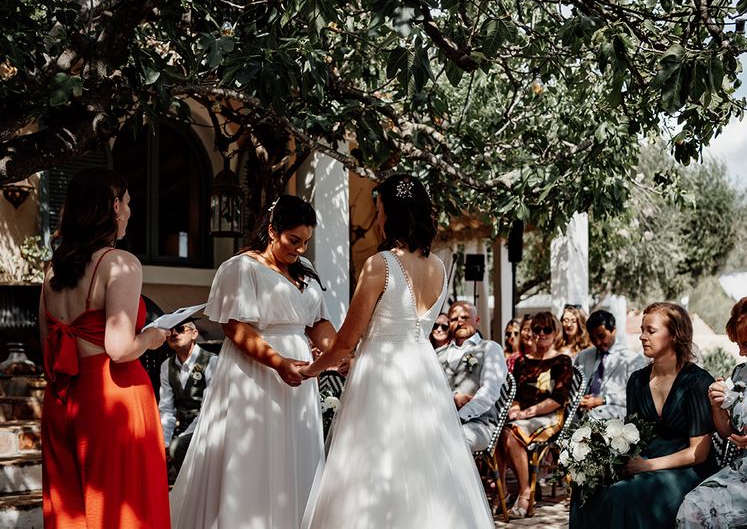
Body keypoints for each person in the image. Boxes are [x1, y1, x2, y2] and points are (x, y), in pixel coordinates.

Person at [299, 174, 494, 528]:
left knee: (375, 466)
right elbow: (402, 329)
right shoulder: (438, 266)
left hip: (383, 377)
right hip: (422, 372)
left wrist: (308, 370)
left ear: (392, 214)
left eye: (379, 210)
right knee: (424, 468)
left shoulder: (381, 264)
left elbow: (345, 341)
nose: (377, 218)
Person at [170, 195, 335, 529]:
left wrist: (338, 354)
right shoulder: (240, 267)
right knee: (256, 457)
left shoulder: (306, 271)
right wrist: (277, 362)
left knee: (295, 457)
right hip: (256, 373)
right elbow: (234, 326)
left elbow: (318, 322)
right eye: (293, 240)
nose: (300, 249)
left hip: (299, 378)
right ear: (273, 231)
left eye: (305, 242)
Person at [39, 168, 170, 528]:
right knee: (123, 507)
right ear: (114, 206)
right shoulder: (119, 263)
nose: (130, 211)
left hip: (62, 398)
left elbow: (46, 346)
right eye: (127, 203)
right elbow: (120, 347)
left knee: (71, 510)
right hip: (113, 398)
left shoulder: (52, 272)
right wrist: (154, 338)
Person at [570, 302, 716, 529]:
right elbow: (631, 436)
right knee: (586, 487)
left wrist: (648, 466)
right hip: (643, 462)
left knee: (622, 495)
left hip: (684, 470)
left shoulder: (697, 382)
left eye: (651, 330)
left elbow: (699, 452)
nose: (642, 337)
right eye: (642, 330)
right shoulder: (637, 381)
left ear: (675, 335)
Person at [676, 295, 747, 528]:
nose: (741, 353)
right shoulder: (741, 374)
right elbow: (727, 432)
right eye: (738, 345)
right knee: (694, 506)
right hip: (746, 470)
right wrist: (717, 406)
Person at [497, 310, 573, 518]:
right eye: (536, 328)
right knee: (499, 432)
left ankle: (524, 492)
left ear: (556, 332)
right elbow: (516, 395)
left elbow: (558, 399)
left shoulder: (562, 361)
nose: (540, 333)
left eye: (546, 329)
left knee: (511, 434)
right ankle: (502, 491)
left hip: (550, 415)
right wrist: (515, 410)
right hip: (524, 415)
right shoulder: (522, 362)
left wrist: (527, 413)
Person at [436, 301, 507, 452]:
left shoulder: (490, 348)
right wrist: (452, 397)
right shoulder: (438, 354)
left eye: (465, 317)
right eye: (454, 319)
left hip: (479, 424)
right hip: (440, 421)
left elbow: (490, 391)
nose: (459, 322)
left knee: (450, 439)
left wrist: (460, 417)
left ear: (477, 320)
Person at [158, 318, 218, 472]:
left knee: (178, 447)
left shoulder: (211, 361)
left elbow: (209, 407)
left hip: (208, 425)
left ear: (194, 333)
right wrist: (164, 443)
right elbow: (166, 409)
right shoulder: (166, 366)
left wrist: (182, 438)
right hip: (182, 427)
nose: (174, 333)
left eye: (179, 328)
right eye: (169, 330)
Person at [575, 309, 645, 420]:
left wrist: (603, 400)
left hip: (613, 415)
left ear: (613, 331)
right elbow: (574, 387)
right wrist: (580, 399)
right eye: (593, 338)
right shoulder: (583, 356)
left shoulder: (632, 359)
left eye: (602, 336)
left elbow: (637, 397)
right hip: (581, 412)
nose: (597, 342)